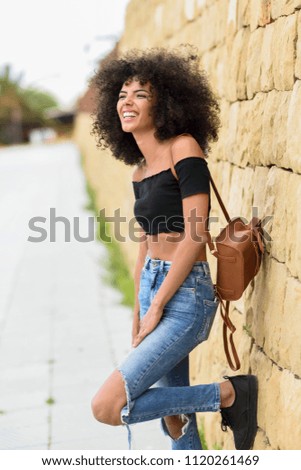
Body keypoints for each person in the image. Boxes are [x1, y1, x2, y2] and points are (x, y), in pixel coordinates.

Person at [90, 46, 258, 450]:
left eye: (140, 95)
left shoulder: (184, 148)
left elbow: (195, 233)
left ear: (164, 103)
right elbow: (145, 247)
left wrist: (160, 304)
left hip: (186, 296)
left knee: (109, 406)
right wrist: (139, 309)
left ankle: (228, 395)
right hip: (154, 288)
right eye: (121, 95)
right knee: (174, 420)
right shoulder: (140, 171)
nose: (127, 102)